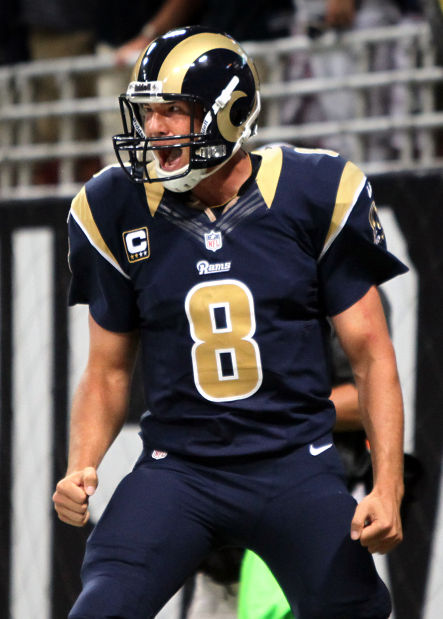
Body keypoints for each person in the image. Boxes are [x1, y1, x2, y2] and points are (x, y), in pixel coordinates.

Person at [53, 26, 407, 619]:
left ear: (230, 112)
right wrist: (81, 464)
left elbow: (373, 355)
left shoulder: (314, 191)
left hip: (293, 459)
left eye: (174, 110)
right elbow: (108, 370)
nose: (155, 128)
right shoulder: (113, 206)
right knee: (103, 606)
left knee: (355, 609)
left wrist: (388, 485)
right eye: (148, 112)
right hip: (178, 468)